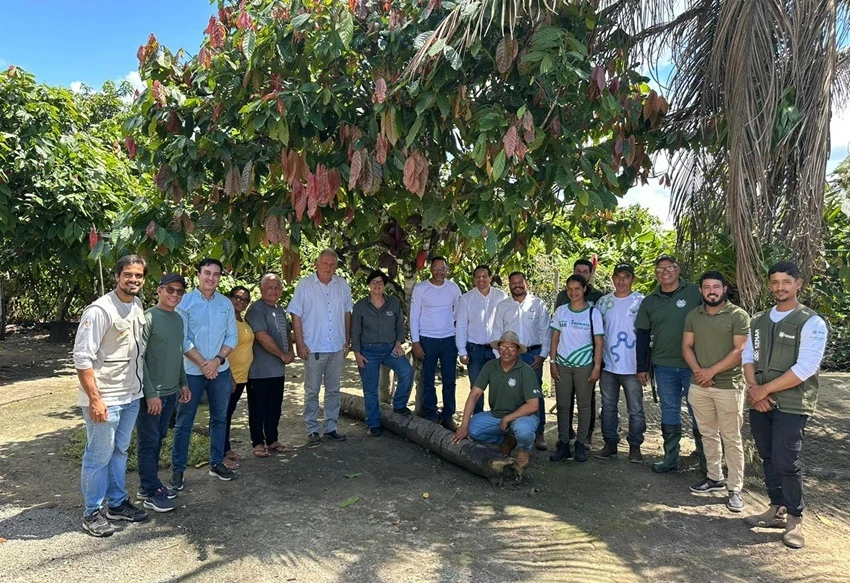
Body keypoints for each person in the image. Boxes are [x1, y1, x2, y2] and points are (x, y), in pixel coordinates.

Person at [742, 261, 828, 549]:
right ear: (770, 285)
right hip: (760, 400)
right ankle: (775, 508)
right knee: (767, 455)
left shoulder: (811, 321)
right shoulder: (758, 321)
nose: (780, 287)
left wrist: (764, 390)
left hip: (792, 403)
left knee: (787, 461)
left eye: (786, 282)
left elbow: (806, 367)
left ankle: (794, 518)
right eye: (775, 282)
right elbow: (747, 358)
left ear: (798, 284)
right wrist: (756, 391)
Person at [73, 255, 149, 537]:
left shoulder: (137, 304)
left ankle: (116, 504)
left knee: (120, 451)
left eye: (138, 276)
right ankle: (92, 512)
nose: (133, 280)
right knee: (98, 454)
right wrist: (95, 399)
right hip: (106, 396)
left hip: (131, 394)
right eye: (128, 275)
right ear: (117, 276)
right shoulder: (99, 310)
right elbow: (82, 358)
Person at [682, 271, 750, 512]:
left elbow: (739, 351)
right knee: (707, 433)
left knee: (731, 437)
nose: (712, 291)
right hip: (699, 385)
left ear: (724, 289)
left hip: (728, 387)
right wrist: (699, 372)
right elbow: (687, 346)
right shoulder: (694, 315)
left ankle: (735, 489)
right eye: (707, 287)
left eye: (716, 287)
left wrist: (710, 372)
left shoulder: (738, 315)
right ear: (701, 290)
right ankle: (714, 478)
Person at [171, 258, 238, 489]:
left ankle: (216, 463)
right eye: (207, 273)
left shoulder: (225, 304)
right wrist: (203, 364)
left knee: (220, 418)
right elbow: (182, 338)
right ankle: (177, 471)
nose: (211, 278)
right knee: (184, 421)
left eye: (216, 274)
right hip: (191, 372)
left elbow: (232, 337)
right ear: (198, 274)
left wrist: (217, 361)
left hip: (220, 370)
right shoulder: (185, 303)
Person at [635, 254, 704, 474]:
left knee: (699, 412)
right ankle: (670, 457)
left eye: (670, 267)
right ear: (656, 274)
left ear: (678, 269)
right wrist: (641, 367)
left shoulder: (695, 292)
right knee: (669, 411)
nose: (665, 272)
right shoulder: (650, 301)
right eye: (660, 269)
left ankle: (706, 460)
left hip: (695, 366)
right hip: (663, 365)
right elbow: (643, 335)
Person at [136, 274, 191, 514]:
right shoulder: (148, 318)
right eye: (170, 290)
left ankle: (147, 485)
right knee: (148, 442)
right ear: (159, 290)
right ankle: (151, 491)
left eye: (180, 292)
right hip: (153, 394)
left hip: (170, 393)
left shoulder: (178, 319)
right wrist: (150, 394)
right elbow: (139, 359)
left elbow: (178, 354)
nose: (175, 295)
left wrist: (183, 383)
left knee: (158, 439)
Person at [288, 249, 353, 448]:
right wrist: (299, 343)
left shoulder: (342, 285)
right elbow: (296, 315)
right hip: (314, 346)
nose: (329, 267)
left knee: (334, 390)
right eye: (325, 263)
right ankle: (312, 430)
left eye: (333, 264)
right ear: (317, 264)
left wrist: (347, 338)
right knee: (312, 391)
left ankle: (331, 427)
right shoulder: (305, 285)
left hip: (336, 346)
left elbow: (347, 312)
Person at [452, 331, 542, 471]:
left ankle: (523, 451)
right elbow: (474, 395)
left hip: (523, 416)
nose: (506, 351)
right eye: (503, 347)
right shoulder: (490, 366)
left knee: (524, 431)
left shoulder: (526, 370)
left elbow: (533, 405)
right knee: (472, 429)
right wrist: (464, 424)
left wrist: (508, 418)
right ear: (498, 349)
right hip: (497, 415)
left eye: (511, 347)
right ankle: (506, 441)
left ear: (518, 351)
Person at [548, 274, 604, 462]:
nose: (573, 292)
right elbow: (554, 339)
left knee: (584, 406)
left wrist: (596, 367)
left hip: (584, 366)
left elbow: (598, 342)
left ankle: (581, 444)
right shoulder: (561, 311)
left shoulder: (593, 313)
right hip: (562, 365)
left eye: (577, 289)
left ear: (584, 289)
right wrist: (553, 362)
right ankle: (564, 443)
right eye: (569, 289)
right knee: (563, 406)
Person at [352, 269, 414, 436]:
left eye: (380, 282)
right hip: (368, 351)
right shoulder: (360, 306)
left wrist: (398, 344)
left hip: (390, 349)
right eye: (374, 282)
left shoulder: (393, 303)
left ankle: (399, 405)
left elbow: (400, 325)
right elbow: (355, 331)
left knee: (407, 371)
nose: (377, 285)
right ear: (369, 285)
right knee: (370, 388)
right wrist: (357, 353)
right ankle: (373, 423)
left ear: (385, 285)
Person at [595, 263, 646, 462]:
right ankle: (610, 443)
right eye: (617, 276)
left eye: (626, 276)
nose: (621, 281)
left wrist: (645, 365)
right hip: (608, 365)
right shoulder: (603, 302)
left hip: (633, 366)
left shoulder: (642, 302)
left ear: (633, 279)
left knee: (635, 408)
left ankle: (635, 445)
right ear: (612, 278)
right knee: (608, 406)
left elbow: (647, 334)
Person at [492, 271, 550, 451]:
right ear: (509, 285)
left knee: (535, 394)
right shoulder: (502, 306)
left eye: (520, 282)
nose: (516, 285)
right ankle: (509, 434)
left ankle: (538, 432)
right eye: (513, 282)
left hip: (532, 355)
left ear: (526, 283)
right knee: (509, 393)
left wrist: (542, 355)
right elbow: (496, 331)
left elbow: (546, 331)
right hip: (508, 356)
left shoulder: (538, 304)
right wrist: (499, 358)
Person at [410, 256, 462, 430]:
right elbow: (414, 316)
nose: (439, 271)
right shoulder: (421, 288)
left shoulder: (453, 288)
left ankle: (448, 416)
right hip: (427, 339)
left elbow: (459, 312)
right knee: (428, 380)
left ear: (447, 270)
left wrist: (451, 327)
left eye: (443, 268)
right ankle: (431, 414)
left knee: (449, 379)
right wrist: (416, 342)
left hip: (448, 340)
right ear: (430, 269)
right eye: (436, 268)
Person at [245, 273, 295, 455]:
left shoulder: (280, 310)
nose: (273, 291)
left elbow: (287, 333)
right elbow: (261, 336)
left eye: (277, 288)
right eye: (269, 287)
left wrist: (291, 351)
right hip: (259, 372)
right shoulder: (256, 310)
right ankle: (258, 443)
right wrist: (282, 355)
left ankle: (272, 440)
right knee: (258, 408)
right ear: (261, 289)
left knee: (275, 407)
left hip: (277, 372)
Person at [455, 264, 508, 414]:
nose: (481, 279)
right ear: (474, 280)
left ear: (490, 278)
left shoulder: (501, 297)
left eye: (484, 276)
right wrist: (462, 350)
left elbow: (506, 323)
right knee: (476, 387)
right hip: (474, 350)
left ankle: (498, 418)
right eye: (478, 277)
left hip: (497, 350)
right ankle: (477, 420)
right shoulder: (466, 299)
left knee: (498, 385)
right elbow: (461, 326)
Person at [224, 286, 254, 464]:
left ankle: (226, 449)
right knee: (222, 415)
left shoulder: (242, 320)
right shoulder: (226, 320)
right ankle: (220, 454)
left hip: (242, 377)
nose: (241, 302)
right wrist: (229, 376)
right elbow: (220, 350)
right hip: (230, 376)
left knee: (228, 413)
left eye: (245, 300)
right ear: (229, 297)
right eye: (237, 297)